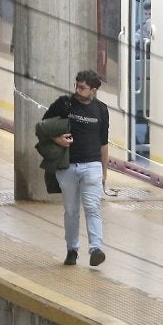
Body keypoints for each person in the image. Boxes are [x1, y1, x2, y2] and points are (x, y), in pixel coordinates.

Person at [43, 69, 110, 267]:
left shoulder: (102, 110)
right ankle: (72, 249)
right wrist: (57, 139)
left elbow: (103, 143)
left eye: (82, 88)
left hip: (92, 165)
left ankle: (96, 248)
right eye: (77, 85)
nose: (77, 90)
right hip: (67, 166)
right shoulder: (63, 104)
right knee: (71, 210)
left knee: (92, 207)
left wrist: (104, 171)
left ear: (94, 90)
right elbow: (42, 127)